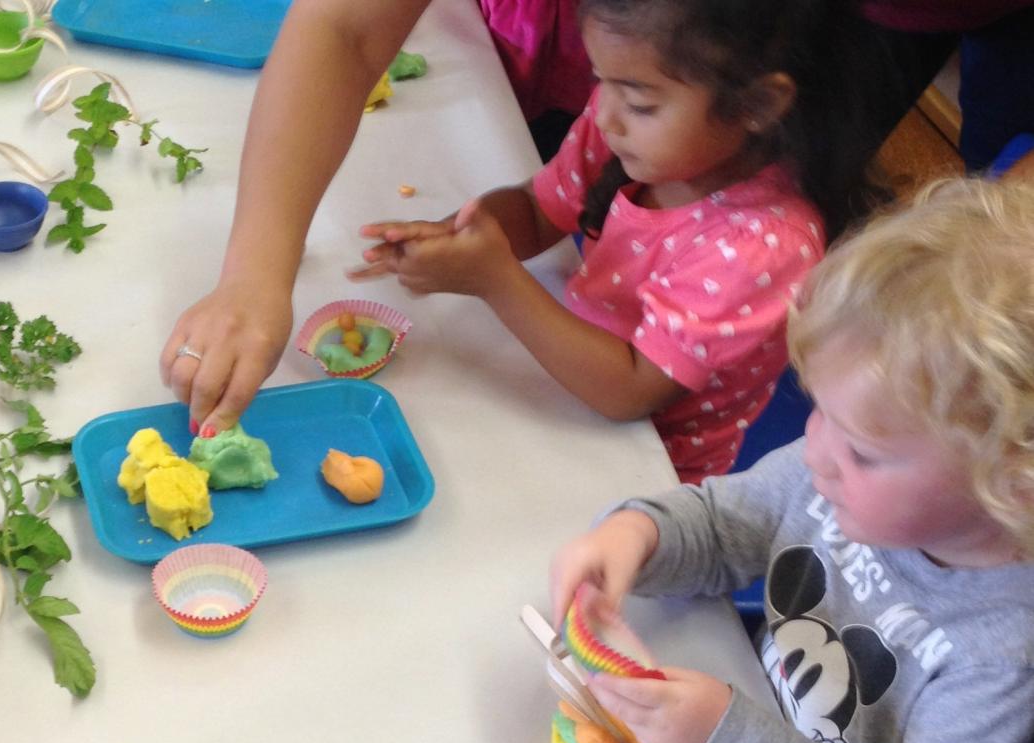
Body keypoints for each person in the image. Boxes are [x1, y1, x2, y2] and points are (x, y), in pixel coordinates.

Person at [159, 0, 875, 462]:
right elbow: (540, 209)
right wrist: (465, 235)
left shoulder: (763, 247)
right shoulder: (633, 130)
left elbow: (629, 390)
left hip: (642, 462)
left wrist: (497, 279)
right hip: (557, 388)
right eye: (602, 83)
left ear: (758, 102)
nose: (607, 113)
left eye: (639, 99)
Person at [549, 178, 1034, 743]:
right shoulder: (830, 467)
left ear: (1013, 486)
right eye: (819, 408)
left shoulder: (998, 654)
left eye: (862, 449)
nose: (817, 449)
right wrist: (635, 536)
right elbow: (726, 528)